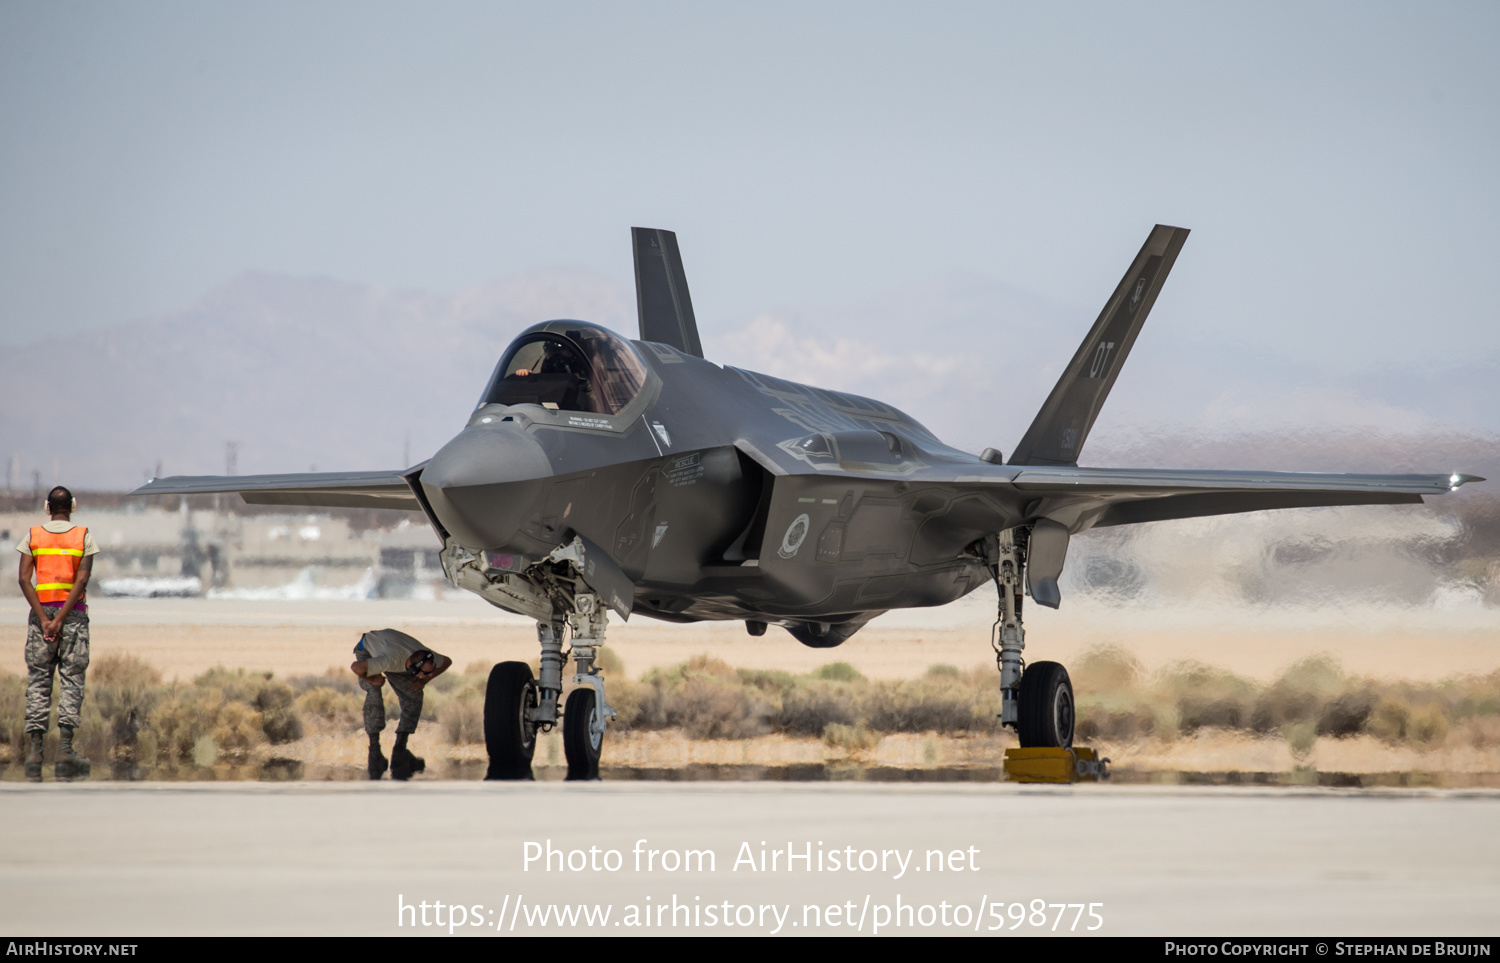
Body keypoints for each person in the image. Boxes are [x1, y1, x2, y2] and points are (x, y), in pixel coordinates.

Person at [16, 486, 97, 782]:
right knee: (72, 681)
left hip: (41, 618)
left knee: (38, 682)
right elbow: (83, 577)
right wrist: (61, 618)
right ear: (72, 506)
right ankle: (65, 752)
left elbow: (24, 579)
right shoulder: (83, 536)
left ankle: (35, 755)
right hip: (72, 617)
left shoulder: (33, 536)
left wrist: (44, 619)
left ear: (47, 507)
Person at [350, 628, 451, 780]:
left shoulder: (426, 656)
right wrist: (372, 679)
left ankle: (400, 751)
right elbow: (356, 667)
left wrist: (424, 680)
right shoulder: (389, 660)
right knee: (374, 693)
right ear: (414, 669)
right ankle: (375, 752)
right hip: (368, 650)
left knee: (414, 692)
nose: (431, 674)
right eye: (426, 672)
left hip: (393, 647)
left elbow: (446, 662)